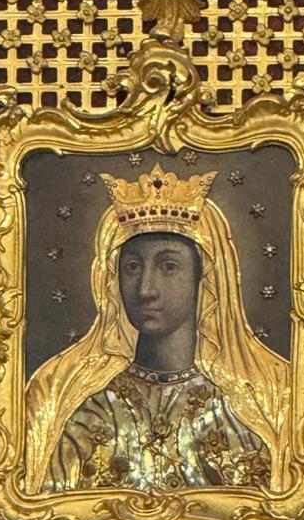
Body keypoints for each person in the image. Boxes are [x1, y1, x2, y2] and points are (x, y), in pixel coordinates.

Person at [25, 165, 288, 494]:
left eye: (169, 266)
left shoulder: (257, 404)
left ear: (204, 278)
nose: (146, 289)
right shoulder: (79, 408)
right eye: (133, 267)